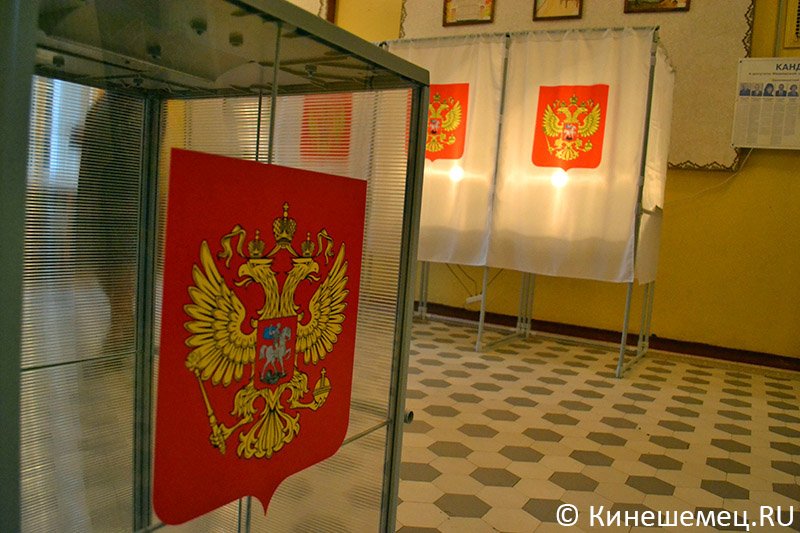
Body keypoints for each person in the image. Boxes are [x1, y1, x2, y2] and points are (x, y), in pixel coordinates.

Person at [74, 92, 142, 352]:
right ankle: (126, 327)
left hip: (124, 197)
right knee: (104, 265)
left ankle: (118, 333)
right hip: (103, 195)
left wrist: (91, 139)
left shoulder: (135, 100)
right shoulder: (105, 101)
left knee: (120, 264)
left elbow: (137, 146)